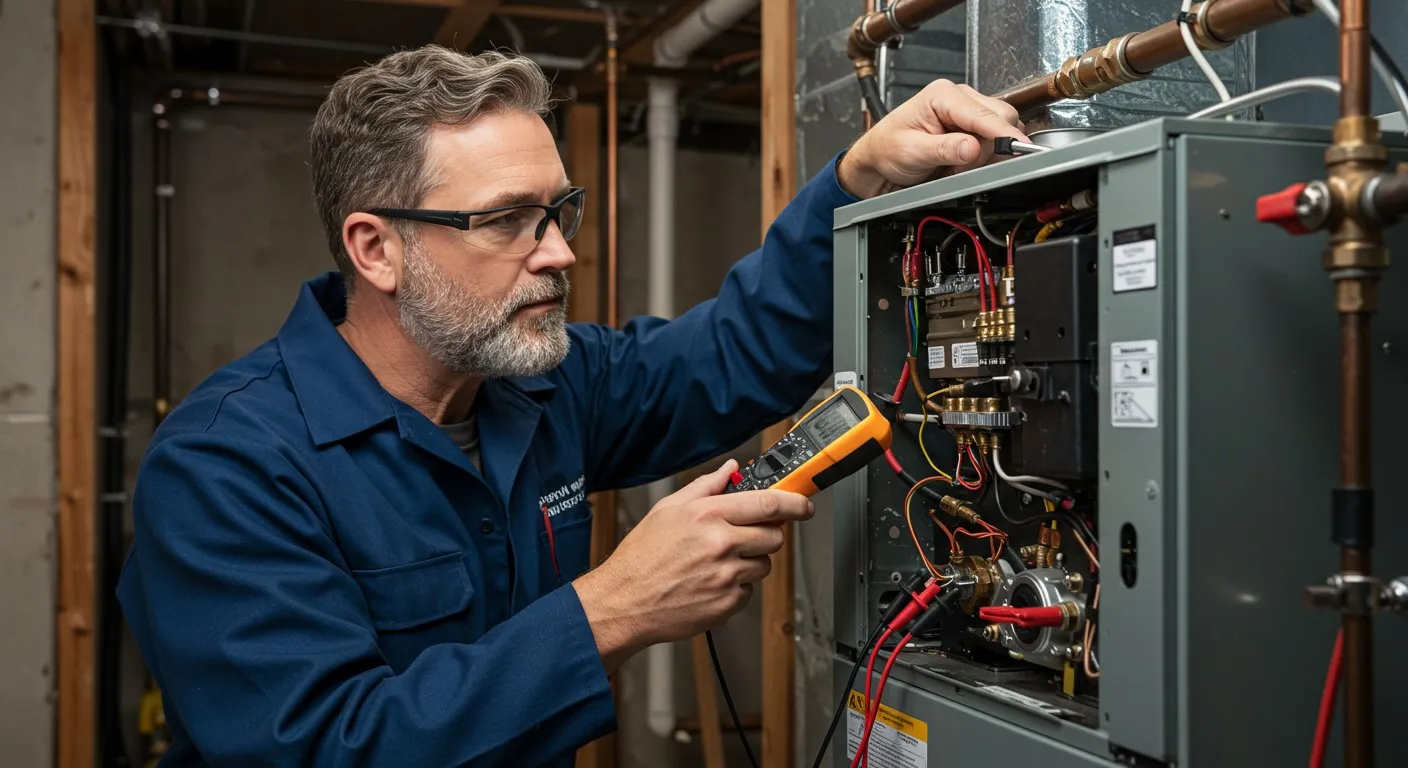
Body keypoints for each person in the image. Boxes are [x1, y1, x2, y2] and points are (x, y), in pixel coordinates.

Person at [116, 45, 1026, 766]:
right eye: (509, 219)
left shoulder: (543, 384)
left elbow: (733, 353)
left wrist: (854, 183)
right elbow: (324, 748)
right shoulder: (226, 468)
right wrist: (614, 609)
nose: (559, 254)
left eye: (560, 212)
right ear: (376, 249)